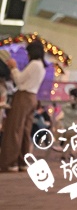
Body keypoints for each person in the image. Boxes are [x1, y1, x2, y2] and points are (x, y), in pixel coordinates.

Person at [0, 39, 47, 172]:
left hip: (23, 97)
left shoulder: (33, 64)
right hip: (33, 98)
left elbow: (19, 81)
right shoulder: (42, 67)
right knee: (25, 131)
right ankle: (23, 161)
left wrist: (13, 67)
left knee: (14, 129)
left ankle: (10, 162)